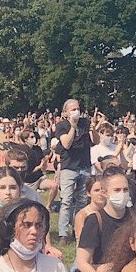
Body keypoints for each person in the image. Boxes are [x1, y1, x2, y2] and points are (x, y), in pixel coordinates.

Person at [76, 168, 134, 272]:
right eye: (116, 190)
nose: (121, 194)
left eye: (125, 189)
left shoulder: (135, 219)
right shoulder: (95, 221)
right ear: (105, 192)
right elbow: (83, 262)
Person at [54, 99, 95, 241]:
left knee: (82, 201)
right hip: (69, 167)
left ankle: (77, 229)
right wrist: (72, 126)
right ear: (65, 112)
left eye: (77, 108)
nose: (76, 111)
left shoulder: (85, 123)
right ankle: (63, 233)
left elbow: (93, 141)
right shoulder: (61, 125)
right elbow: (66, 144)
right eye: (72, 109)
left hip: (84, 165)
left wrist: (94, 128)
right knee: (66, 200)